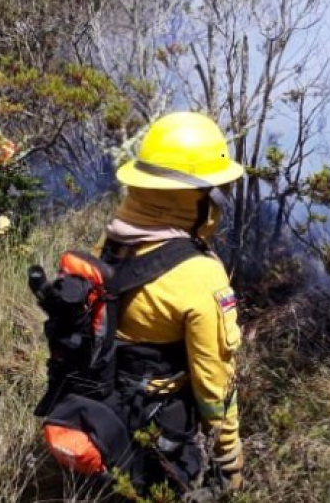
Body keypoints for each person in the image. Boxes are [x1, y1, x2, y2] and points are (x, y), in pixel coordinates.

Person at [93, 111, 246, 498]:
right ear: (194, 198)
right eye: (216, 192)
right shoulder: (198, 275)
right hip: (156, 433)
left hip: (102, 414)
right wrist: (229, 458)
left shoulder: (111, 243)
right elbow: (214, 383)